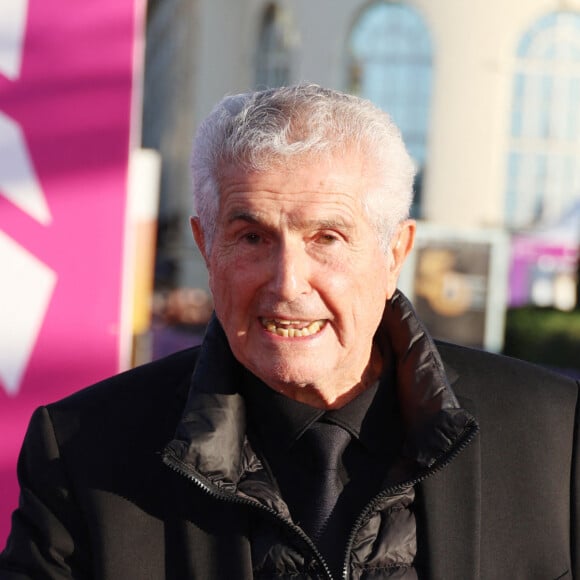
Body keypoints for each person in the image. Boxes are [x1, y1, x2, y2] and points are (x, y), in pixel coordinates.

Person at [0, 84, 578, 579]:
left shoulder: (554, 434)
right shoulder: (84, 451)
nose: (287, 283)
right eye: (252, 237)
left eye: (327, 237)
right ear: (207, 248)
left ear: (394, 252)